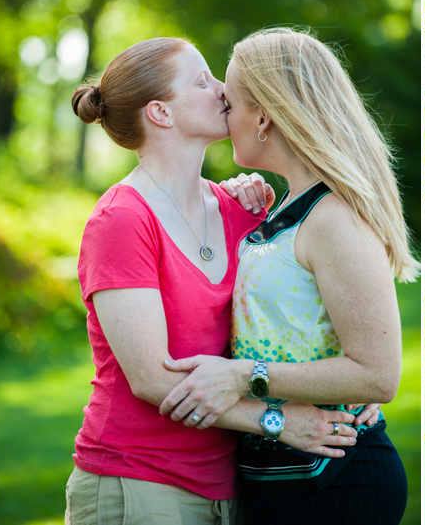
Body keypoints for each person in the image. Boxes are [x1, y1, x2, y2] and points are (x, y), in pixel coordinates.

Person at [66, 37, 359, 525]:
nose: (224, 89)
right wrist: (279, 422)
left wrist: (352, 386)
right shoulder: (121, 219)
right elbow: (153, 379)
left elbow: (285, 323)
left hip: (230, 482)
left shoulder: (240, 211)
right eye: (202, 81)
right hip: (137, 480)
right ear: (160, 112)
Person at [155, 27, 418, 524]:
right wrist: (235, 199)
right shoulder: (285, 209)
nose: (221, 112)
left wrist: (241, 376)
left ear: (263, 117)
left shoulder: (336, 218)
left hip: (336, 481)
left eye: (229, 103)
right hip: (274, 474)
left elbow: (378, 375)